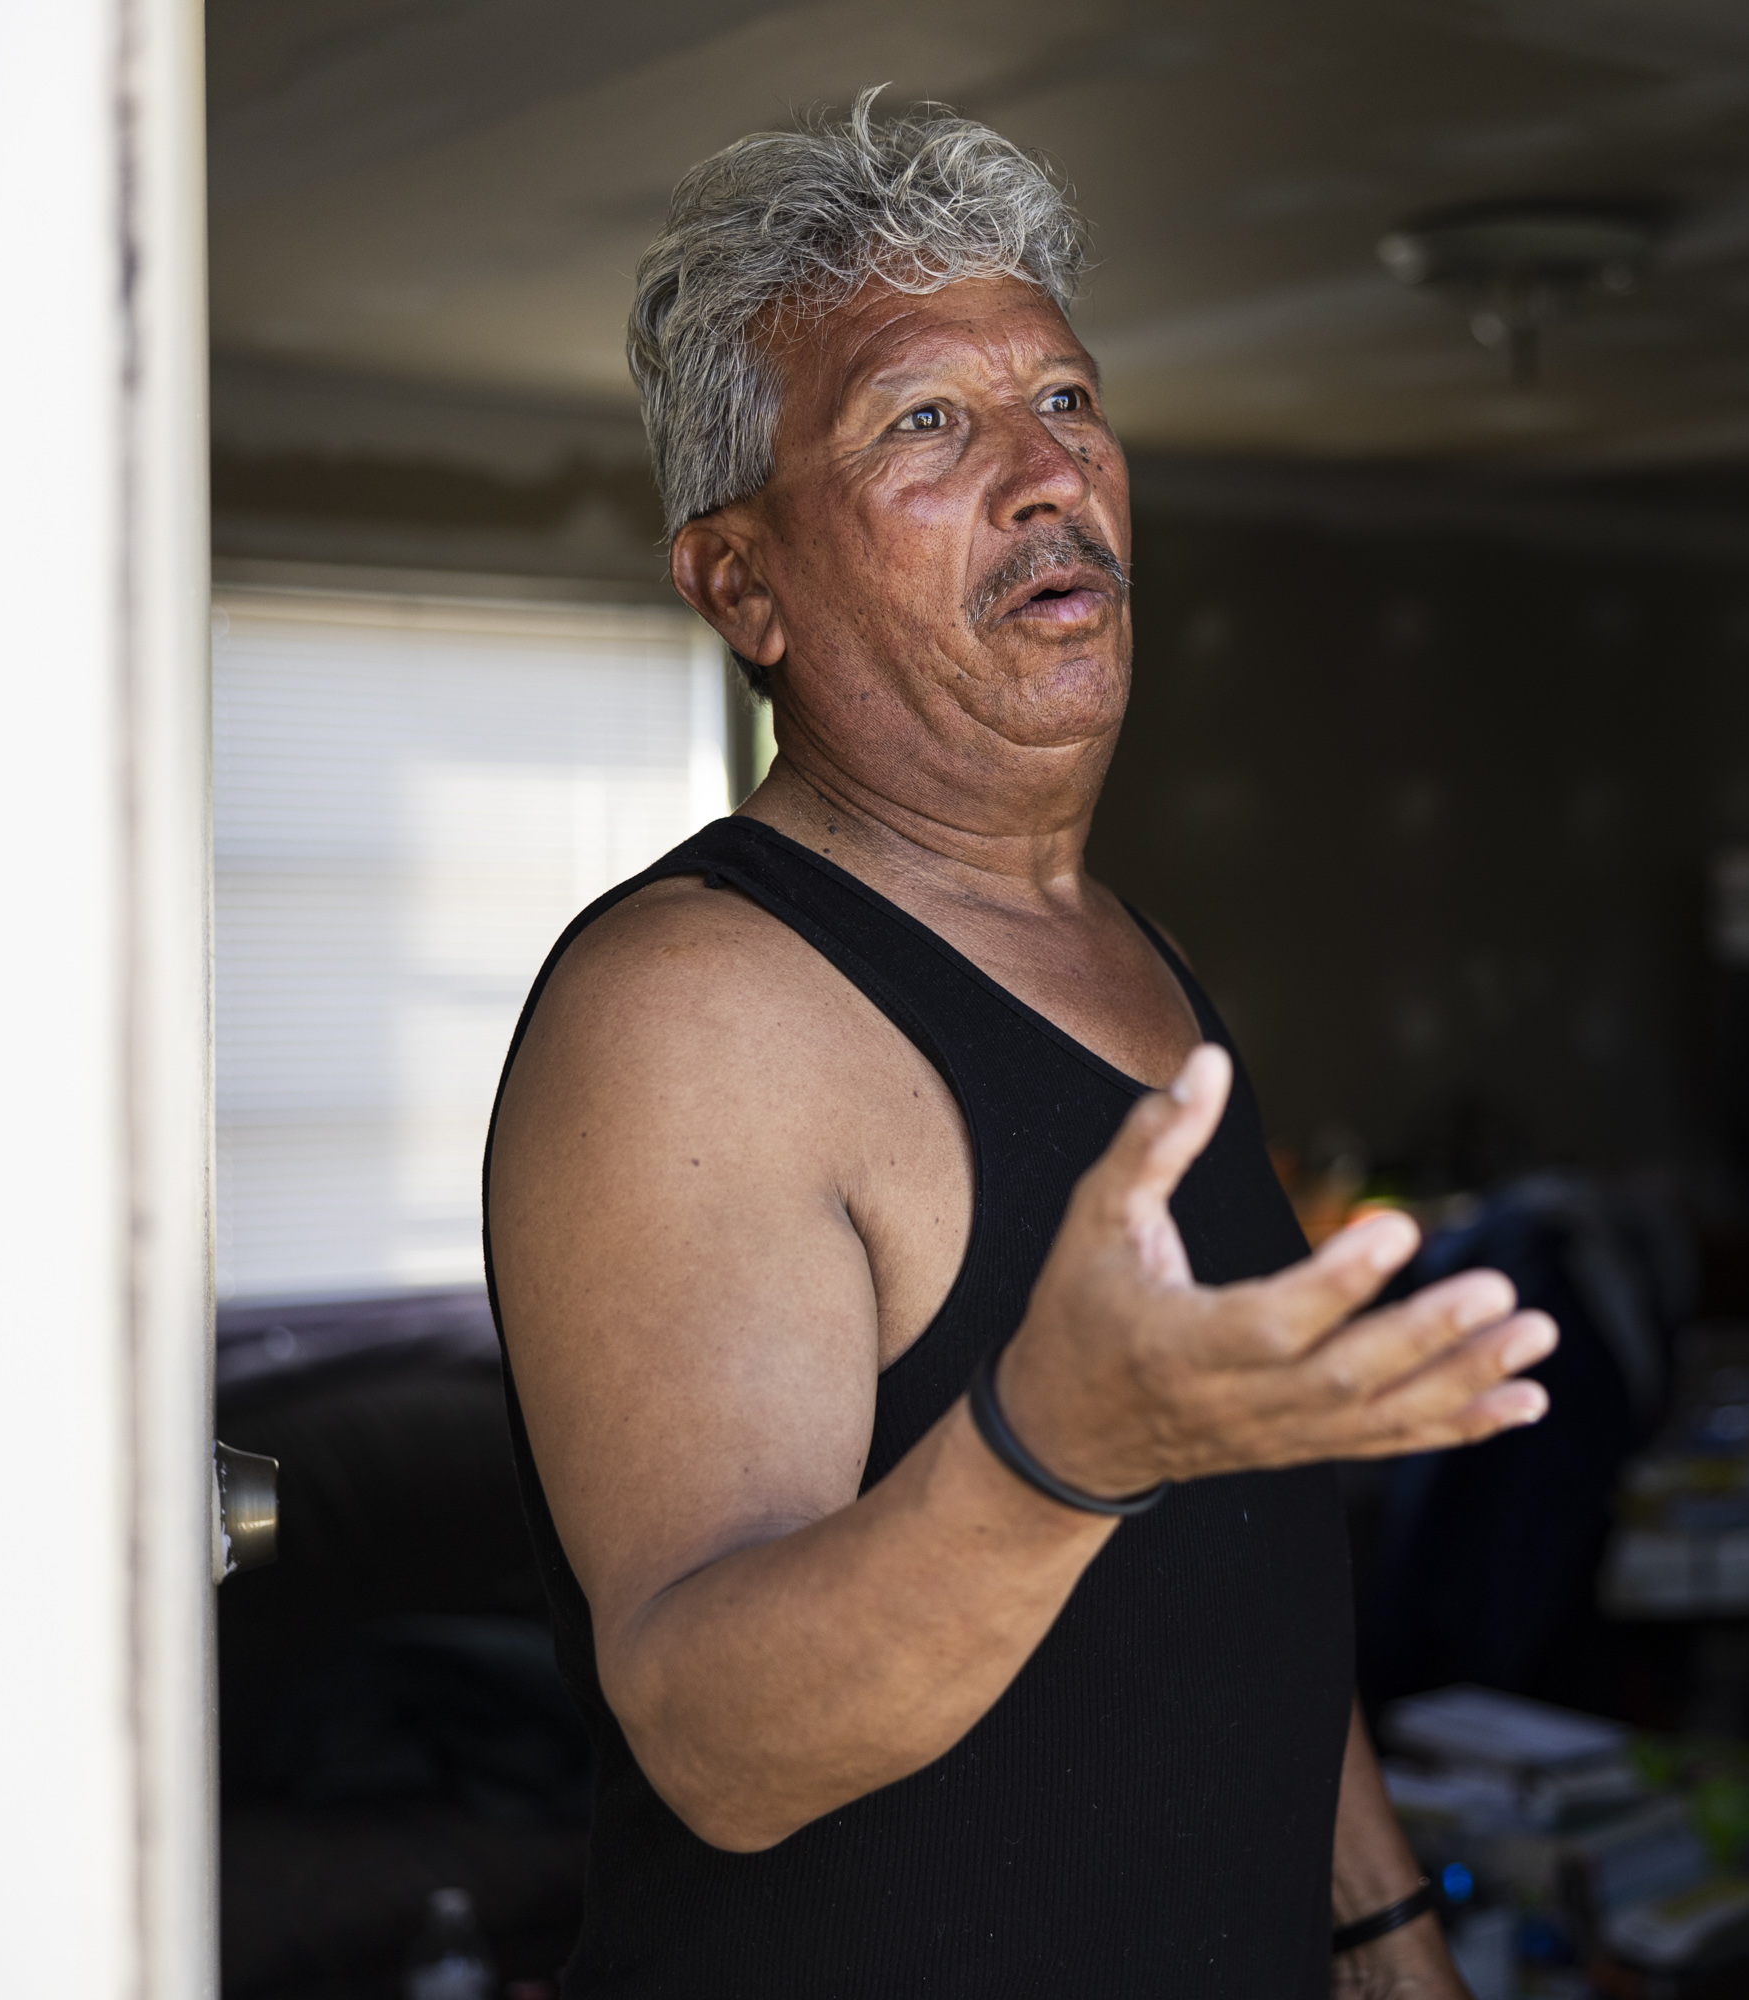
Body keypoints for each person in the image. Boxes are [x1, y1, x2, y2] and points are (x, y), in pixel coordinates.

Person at [483, 95, 1555, 1997]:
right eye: (922, 424)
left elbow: (1241, 1573)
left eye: (1063, 400)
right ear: (743, 587)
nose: (1044, 476)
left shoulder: (1135, 954)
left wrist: (1383, 1925)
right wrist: (1064, 1447)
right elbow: (718, 1742)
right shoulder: (688, 1014)